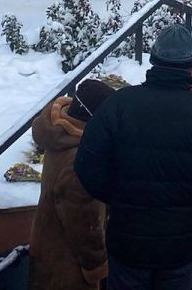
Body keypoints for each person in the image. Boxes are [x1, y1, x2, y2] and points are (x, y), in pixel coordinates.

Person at [74, 25, 192, 290]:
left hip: (127, 240)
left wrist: (118, 197)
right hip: (181, 245)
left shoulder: (119, 105)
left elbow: (88, 165)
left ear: (153, 61)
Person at [30, 80, 115, 290]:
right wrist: (97, 266)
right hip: (70, 268)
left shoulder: (62, 136)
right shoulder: (81, 158)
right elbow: (83, 221)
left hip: (49, 250)